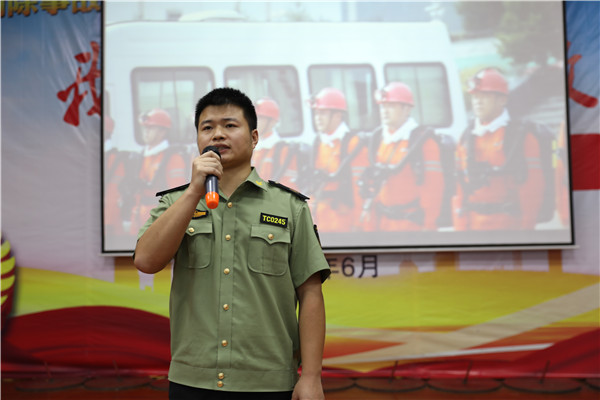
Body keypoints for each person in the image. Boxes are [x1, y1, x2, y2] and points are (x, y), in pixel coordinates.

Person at [134, 87, 330, 400]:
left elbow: (310, 293)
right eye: (207, 127)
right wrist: (193, 192)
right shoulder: (176, 202)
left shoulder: (290, 207)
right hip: (193, 380)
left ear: (254, 137)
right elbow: (145, 261)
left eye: (229, 125)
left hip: (268, 382)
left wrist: (311, 377)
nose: (217, 135)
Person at [453, 68, 544, 230]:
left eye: (485, 96)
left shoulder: (520, 136)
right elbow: (460, 187)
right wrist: (461, 229)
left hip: (508, 225)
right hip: (474, 226)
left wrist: (527, 231)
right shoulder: (466, 137)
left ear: (502, 100)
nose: (478, 102)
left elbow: (531, 190)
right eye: (475, 96)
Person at [359, 82, 444, 231]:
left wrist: (429, 225)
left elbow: (433, 189)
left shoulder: (423, 142)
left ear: (406, 109)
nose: (385, 111)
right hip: (383, 223)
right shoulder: (379, 140)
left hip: (411, 225)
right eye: (382, 106)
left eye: (391, 106)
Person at [308, 87, 366, 232]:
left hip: (343, 222)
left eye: (323, 113)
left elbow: (360, 188)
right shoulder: (318, 143)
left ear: (338, 115)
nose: (317, 118)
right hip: (320, 221)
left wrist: (359, 225)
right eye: (316, 113)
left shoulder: (353, 143)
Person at [127, 108, 187, 236]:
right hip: (140, 219)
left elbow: (177, 197)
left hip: (160, 222)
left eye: (150, 128)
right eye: (145, 128)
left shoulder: (173, 158)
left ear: (162, 132)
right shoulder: (142, 156)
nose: (146, 131)